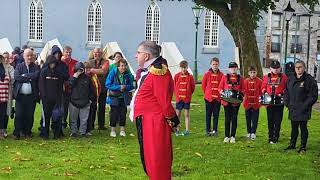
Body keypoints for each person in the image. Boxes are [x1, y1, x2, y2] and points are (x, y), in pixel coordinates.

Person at [130, 40, 179, 179]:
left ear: (146, 56)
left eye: (138, 53)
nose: (135, 56)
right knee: (150, 161)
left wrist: (173, 121)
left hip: (154, 123)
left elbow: (164, 101)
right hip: (147, 121)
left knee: (157, 161)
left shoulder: (159, 71)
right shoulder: (151, 70)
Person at [284, 60, 318, 153]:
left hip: (303, 108)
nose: (298, 69)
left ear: (304, 68)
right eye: (296, 67)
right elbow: (286, 91)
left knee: (303, 127)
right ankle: (292, 144)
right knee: (294, 127)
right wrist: (287, 102)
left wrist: (305, 105)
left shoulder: (309, 79)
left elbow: (313, 95)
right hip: (293, 108)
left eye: (300, 67)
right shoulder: (291, 79)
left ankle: (303, 146)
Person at [13, 49, 40, 139]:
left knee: (29, 115)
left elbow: (36, 75)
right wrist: (29, 78)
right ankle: (17, 133)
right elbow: (17, 77)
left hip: (31, 97)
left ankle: (27, 132)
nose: (29, 57)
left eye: (31, 55)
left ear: (33, 56)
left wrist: (24, 76)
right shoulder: (19, 66)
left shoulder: (35, 66)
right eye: (27, 55)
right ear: (24, 56)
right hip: (20, 97)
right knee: (19, 115)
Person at [39, 55, 65, 139]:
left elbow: (60, 86)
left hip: (56, 98)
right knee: (46, 117)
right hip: (46, 99)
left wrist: (59, 98)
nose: (52, 65)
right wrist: (44, 97)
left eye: (54, 63)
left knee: (56, 117)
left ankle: (56, 134)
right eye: (51, 63)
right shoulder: (44, 72)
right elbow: (41, 85)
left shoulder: (58, 73)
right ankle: (45, 134)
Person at [106, 58, 134, 137]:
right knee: (114, 113)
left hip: (124, 97)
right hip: (114, 97)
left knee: (123, 113)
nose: (123, 67)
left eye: (125, 66)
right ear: (118, 66)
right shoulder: (113, 72)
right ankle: (112, 130)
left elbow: (132, 85)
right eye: (122, 66)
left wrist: (125, 87)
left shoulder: (128, 74)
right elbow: (108, 84)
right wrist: (119, 87)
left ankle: (122, 130)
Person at [261, 60, 287, 144]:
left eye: (277, 68)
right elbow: (263, 87)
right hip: (270, 101)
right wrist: (264, 91)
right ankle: (270, 137)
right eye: (273, 68)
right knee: (270, 120)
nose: (275, 70)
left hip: (279, 101)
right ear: (270, 68)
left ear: (280, 68)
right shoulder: (266, 77)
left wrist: (282, 92)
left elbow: (287, 88)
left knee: (278, 120)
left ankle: (276, 137)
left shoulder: (284, 77)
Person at [218, 62, 244, 143]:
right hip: (226, 101)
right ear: (229, 69)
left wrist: (240, 94)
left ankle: (233, 136)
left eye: (235, 67)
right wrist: (222, 92)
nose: (233, 69)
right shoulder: (225, 77)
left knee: (234, 118)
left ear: (237, 68)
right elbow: (220, 88)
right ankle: (226, 136)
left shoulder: (240, 78)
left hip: (235, 102)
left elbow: (244, 89)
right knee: (227, 118)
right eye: (231, 67)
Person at [68, 62, 94, 137]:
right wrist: (75, 77)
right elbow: (70, 86)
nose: (80, 71)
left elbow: (91, 90)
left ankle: (82, 132)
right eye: (78, 69)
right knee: (73, 119)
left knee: (84, 119)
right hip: (73, 101)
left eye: (81, 69)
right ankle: (73, 132)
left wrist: (90, 99)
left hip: (85, 102)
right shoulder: (72, 77)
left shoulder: (87, 78)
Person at [86, 47, 109, 130]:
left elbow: (103, 71)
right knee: (92, 107)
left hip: (102, 88)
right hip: (92, 89)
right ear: (93, 53)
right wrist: (98, 70)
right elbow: (87, 71)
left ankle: (101, 125)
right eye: (95, 52)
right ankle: (91, 124)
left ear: (101, 54)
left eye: (98, 52)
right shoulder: (90, 61)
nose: (97, 54)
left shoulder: (106, 61)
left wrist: (91, 70)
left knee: (102, 107)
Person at [201, 57, 224, 136]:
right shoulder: (207, 74)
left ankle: (215, 130)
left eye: (216, 64)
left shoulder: (221, 75)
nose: (215, 66)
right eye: (213, 64)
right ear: (211, 65)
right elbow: (203, 86)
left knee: (216, 115)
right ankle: (208, 130)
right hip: (208, 98)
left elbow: (222, 85)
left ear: (219, 65)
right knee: (208, 115)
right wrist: (207, 94)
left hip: (217, 98)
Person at [174, 60, 195, 136]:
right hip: (179, 98)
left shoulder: (190, 77)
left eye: (185, 68)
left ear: (187, 67)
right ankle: (177, 129)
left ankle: (187, 130)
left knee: (186, 114)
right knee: (178, 115)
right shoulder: (176, 76)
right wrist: (177, 94)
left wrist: (188, 94)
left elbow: (192, 87)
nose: (183, 69)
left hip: (186, 99)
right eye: (182, 68)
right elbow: (175, 86)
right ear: (180, 68)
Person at [243, 66, 262, 140]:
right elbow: (243, 91)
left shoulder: (259, 81)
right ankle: (248, 132)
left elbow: (261, 92)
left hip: (256, 104)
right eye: (251, 72)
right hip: (247, 103)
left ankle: (253, 132)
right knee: (248, 118)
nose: (253, 74)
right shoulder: (245, 81)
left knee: (255, 119)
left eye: (254, 72)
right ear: (248, 73)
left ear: (256, 73)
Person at [61, 46, 78, 128]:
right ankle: (63, 122)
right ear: (63, 52)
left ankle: (73, 124)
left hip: (73, 89)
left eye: (70, 52)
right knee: (63, 108)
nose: (68, 54)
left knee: (73, 108)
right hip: (63, 89)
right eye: (66, 52)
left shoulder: (75, 63)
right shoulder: (60, 63)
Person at [0, 54, 14, 138]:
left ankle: (2, 131)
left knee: (3, 115)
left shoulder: (7, 69)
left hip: (5, 97)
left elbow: (11, 81)